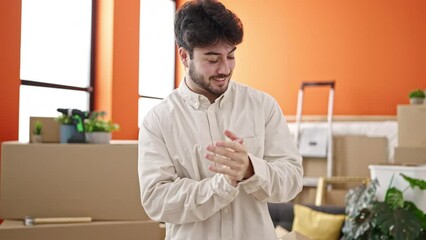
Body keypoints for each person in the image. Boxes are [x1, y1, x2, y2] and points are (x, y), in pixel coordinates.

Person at [138, 0, 303, 239]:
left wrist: (250, 169)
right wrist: (221, 186)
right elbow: (156, 201)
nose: (225, 68)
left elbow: (292, 181)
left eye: (231, 56)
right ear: (185, 56)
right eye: (212, 60)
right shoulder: (158, 121)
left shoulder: (262, 106)